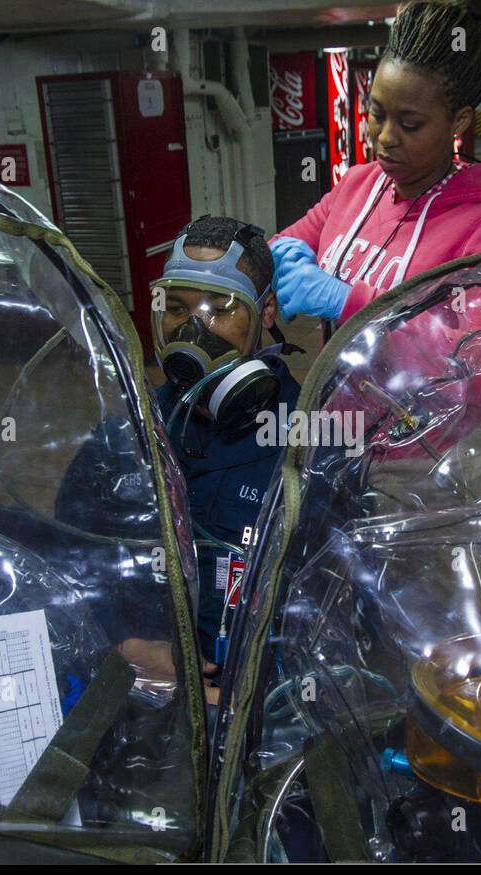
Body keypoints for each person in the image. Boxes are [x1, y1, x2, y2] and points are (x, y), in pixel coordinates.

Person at [56, 216, 299, 703]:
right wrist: (123, 643)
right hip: (139, 677)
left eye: (220, 308)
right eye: (177, 307)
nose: (194, 328)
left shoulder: (312, 438)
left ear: (265, 310)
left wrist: (255, 686)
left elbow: (334, 593)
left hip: (256, 698)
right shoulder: (133, 427)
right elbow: (70, 547)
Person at [268, 0, 481, 330]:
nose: (386, 137)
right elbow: (283, 241)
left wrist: (348, 302)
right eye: (377, 114)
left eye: (411, 124)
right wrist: (279, 257)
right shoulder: (358, 186)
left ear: (459, 121)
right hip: (335, 383)